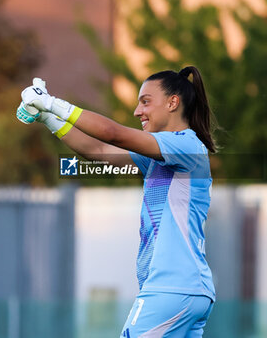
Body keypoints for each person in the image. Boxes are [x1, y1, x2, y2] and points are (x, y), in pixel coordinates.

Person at [17, 66, 216, 337]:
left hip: (170, 288)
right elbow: (98, 150)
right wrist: (49, 117)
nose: (137, 111)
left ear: (173, 102)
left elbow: (113, 134)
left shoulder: (185, 145)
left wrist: (54, 102)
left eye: (145, 101)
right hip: (188, 290)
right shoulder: (166, 153)